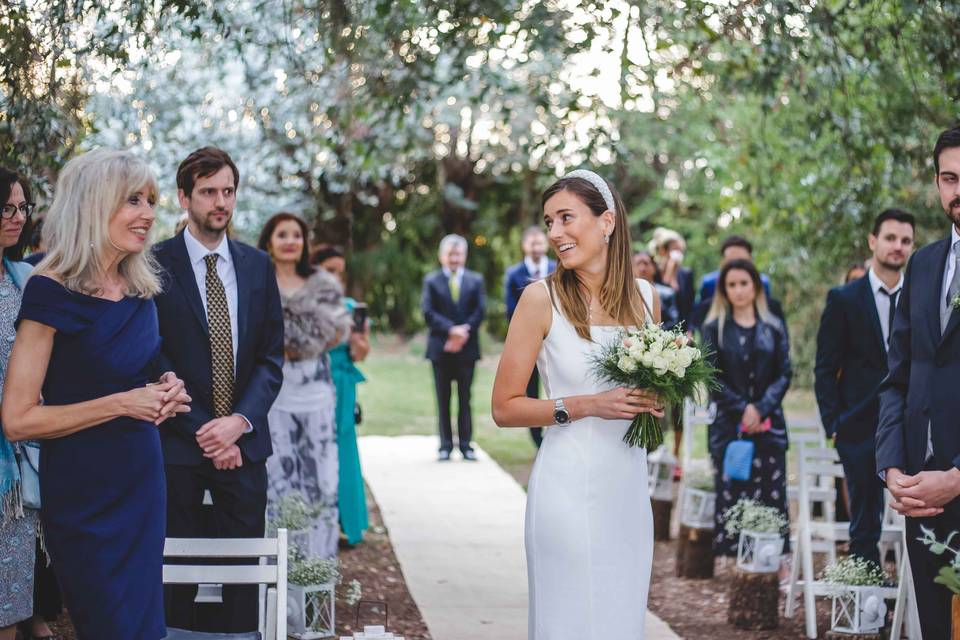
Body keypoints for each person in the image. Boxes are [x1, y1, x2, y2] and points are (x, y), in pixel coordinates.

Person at [2, 149, 190, 640]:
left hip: (142, 478)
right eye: (133, 200)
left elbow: (141, 366)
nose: (149, 213)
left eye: (151, 200)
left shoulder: (141, 287)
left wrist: (169, 387)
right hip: (83, 492)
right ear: (93, 202)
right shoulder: (48, 289)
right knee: (108, 624)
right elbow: (18, 419)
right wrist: (125, 403)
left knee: (146, 627)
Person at [491, 170, 662, 638]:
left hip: (627, 490)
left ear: (607, 222)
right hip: (565, 490)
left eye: (566, 218)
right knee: (566, 621)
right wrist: (588, 404)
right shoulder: (538, 299)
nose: (555, 234)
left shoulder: (648, 298)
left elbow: (649, 395)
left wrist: (655, 400)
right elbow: (504, 407)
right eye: (549, 222)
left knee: (620, 620)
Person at [153, 146, 283, 633]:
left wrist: (238, 424)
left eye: (227, 191)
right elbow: (153, 355)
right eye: (208, 192)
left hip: (245, 446)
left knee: (243, 572)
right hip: (178, 446)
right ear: (184, 197)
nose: (220, 202)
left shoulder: (257, 266)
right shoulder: (154, 264)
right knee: (175, 573)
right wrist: (206, 430)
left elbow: (271, 358)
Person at [877, 124, 960, 639]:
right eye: (950, 178)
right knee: (934, 627)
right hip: (920, 496)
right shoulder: (924, 264)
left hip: (953, 481)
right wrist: (891, 467)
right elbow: (897, 378)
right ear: (937, 183)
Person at [815, 209, 915, 566]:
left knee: (922, 519)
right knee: (864, 524)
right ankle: (864, 609)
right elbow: (825, 368)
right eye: (890, 238)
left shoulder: (921, 296)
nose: (897, 247)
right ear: (873, 241)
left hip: (911, 426)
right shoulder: (844, 299)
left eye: (905, 241)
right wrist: (835, 425)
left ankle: (919, 609)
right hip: (857, 428)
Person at [257, 214, 351, 558]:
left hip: (316, 394)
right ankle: (279, 572)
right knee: (279, 482)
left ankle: (317, 566)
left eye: (296, 235)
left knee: (320, 481)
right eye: (282, 234)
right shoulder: (258, 282)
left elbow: (338, 331)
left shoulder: (323, 285)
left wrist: (298, 344)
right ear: (269, 240)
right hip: (275, 396)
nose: (290, 241)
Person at [701, 259, 792, 558]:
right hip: (731, 430)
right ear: (724, 291)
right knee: (734, 495)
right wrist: (743, 409)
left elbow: (784, 373)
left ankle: (773, 559)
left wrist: (761, 408)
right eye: (731, 285)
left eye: (744, 283)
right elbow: (711, 376)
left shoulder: (774, 326)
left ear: (755, 286)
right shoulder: (714, 328)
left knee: (771, 496)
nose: (738, 290)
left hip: (769, 429)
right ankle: (738, 564)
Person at [0, 168, 39, 640]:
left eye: (22, 207)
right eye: (6, 207)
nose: (16, 217)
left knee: (9, 593)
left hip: (18, 453)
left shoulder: (23, 278)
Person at [313, 245, 370, 546]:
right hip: (315, 382)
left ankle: (350, 523)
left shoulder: (350, 308)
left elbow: (361, 354)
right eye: (329, 270)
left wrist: (356, 337)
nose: (335, 277)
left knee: (345, 450)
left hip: (344, 384)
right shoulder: (307, 305)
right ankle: (320, 521)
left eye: (339, 271)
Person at [421, 234, 485, 461]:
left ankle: (466, 445)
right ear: (442, 256)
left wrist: (463, 331)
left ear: (464, 256)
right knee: (443, 398)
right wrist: (451, 330)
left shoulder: (475, 281)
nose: (454, 258)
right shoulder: (431, 281)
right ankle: (445, 446)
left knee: (465, 399)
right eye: (450, 254)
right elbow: (428, 312)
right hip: (441, 350)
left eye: (458, 254)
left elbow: (480, 311)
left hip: (467, 350)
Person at [504, 226, 556, 448]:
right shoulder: (514, 274)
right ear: (525, 245)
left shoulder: (557, 269)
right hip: (527, 344)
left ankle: (558, 431)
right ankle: (537, 439)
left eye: (540, 242)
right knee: (530, 391)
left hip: (555, 341)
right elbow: (510, 308)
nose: (536, 247)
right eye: (532, 243)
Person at [691, 235, 784, 332]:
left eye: (742, 261)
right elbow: (700, 315)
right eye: (730, 261)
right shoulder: (709, 283)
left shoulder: (763, 283)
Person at [649, 227, 695, 329]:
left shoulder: (686, 274)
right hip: (663, 328)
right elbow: (663, 295)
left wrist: (690, 330)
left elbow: (691, 305)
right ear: (663, 251)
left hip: (684, 331)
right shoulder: (655, 273)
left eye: (679, 249)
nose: (678, 253)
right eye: (674, 249)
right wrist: (670, 268)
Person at [633, 250, 679, 330]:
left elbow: (673, 322)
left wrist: (652, 335)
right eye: (638, 264)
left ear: (654, 268)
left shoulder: (667, 293)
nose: (642, 268)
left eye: (646, 263)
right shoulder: (625, 295)